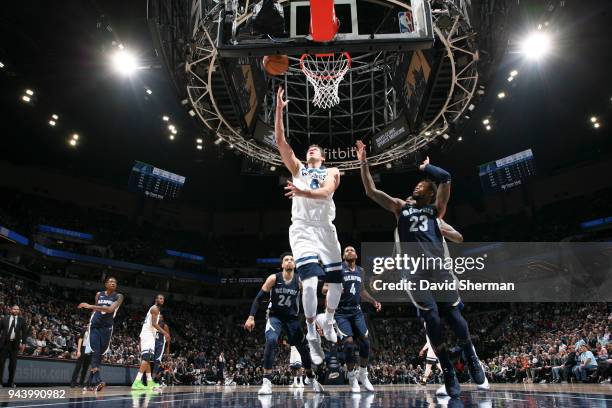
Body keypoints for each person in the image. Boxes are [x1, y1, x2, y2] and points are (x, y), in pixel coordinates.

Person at [356, 141, 488, 398]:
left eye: (423, 185)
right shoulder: (400, 207)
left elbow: (446, 179)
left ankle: (471, 355)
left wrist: (430, 169)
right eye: (416, 184)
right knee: (433, 319)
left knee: (454, 317)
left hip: (439, 268)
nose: (416, 186)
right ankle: (447, 368)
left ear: (430, 193)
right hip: (415, 272)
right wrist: (363, 162)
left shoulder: (435, 211)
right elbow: (371, 191)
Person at [274, 86, 344, 363]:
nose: (311, 148)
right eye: (309, 148)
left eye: (316, 148)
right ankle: (311, 332)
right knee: (311, 281)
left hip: (325, 228)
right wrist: (279, 112)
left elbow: (326, 192)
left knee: (337, 285)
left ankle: (329, 320)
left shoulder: (332, 171)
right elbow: (280, 142)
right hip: (302, 227)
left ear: (323, 157)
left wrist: (302, 192)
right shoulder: (298, 169)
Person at [244, 252, 324, 395]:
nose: (289, 261)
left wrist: (315, 321)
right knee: (271, 341)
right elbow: (258, 299)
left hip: (292, 318)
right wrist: (251, 317)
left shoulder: (300, 281)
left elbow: (310, 303)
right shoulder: (273, 278)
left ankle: (311, 379)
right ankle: (266, 382)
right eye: (286, 260)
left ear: (295, 264)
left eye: (291, 260)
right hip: (275, 316)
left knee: (303, 348)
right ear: (282, 264)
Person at [323, 245, 381, 393]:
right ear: (343, 256)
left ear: (356, 255)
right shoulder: (336, 270)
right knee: (348, 344)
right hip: (341, 312)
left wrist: (373, 301)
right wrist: (334, 288)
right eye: (347, 250)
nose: (350, 251)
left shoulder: (361, 271)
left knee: (366, 343)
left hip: (356, 312)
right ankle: (351, 376)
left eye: (352, 250)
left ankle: (363, 374)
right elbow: (324, 289)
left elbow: (361, 291)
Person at [78, 276, 124, 391]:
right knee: (95, 351)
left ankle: (90, 384)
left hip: (107, 328)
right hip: (95, 325)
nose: (113, 283)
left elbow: (110, 310)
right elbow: (95, 311)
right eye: (111, 281)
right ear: (106, 284)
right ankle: (98, 381)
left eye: (115, 282)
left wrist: (89, 306)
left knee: (100, 354)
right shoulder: (99, 294)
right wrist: (89, 323)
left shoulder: (119, 296)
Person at [132, 294, 170, 390]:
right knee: (146, 359)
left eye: (163, 299)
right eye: (160, 298)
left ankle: (149, 382)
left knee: (148, 359)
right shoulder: (155, 309)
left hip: (150, 335)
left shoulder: (156, 309)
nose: (162, 300)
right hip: (148, 334)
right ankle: (136, 382)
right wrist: (165, 332)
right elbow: (153, 324)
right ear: (156, 299)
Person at [0, 305, 29, 388]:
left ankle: (11, 382)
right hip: (4, 344)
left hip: (14, 345)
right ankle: (0, 382)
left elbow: (24, 333)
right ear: (11, 310)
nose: (16, 310)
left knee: (13, 364)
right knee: (1, 363)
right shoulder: (4, 319)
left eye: (17, 309)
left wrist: (23, 343)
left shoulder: (22, 320)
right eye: (14, 309)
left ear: (19, 311)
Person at [152, 315, 170, 385]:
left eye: (160, 317)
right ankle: (148, 379)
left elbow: (168, 339)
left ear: (162, 318)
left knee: (156, 362)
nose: (159, 318)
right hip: (152, 344)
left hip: (160, 344)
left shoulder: (164, 326)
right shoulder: (153, 325)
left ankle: (153, 380)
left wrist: (167, 350)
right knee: (150, 361)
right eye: (158, 317)